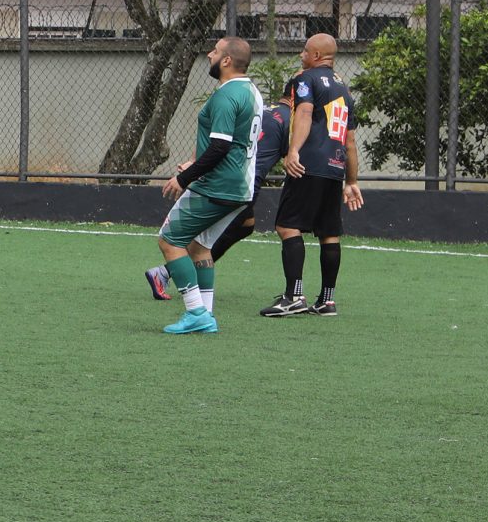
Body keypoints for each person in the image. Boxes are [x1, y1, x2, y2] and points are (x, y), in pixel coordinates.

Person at [151, 36, 263, 334]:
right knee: (200, 247)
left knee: (169, 241)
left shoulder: (227, 95)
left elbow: (219, 147)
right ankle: (206, 315)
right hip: (240, 188)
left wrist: (184, 177)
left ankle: (196, 312)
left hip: (216, 185)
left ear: (226, 60)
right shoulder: (252, 91)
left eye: (214, 51)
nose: (209, 55)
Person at [271, 33, 365, 317]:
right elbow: (349, 141)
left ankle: (294, 296)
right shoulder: (345, 90)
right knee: (329, 234)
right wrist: (351, 181)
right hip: (335, 169)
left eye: (304, 51)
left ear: (314, 55)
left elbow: (303, 113)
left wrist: (294, 151)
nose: (301, 55)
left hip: (308, 164)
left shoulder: (306, 79)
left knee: (287, 226)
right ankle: (327, 301)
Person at [189, 75, 296, 302]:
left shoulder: (263, 108)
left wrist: (194, 162)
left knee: (244, 226)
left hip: (230, 173)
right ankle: (169, 273)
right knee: (208, 233)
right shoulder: (292, 119)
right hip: (244, 182)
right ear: (295, 97)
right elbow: (292, 159)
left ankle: (181, 274)